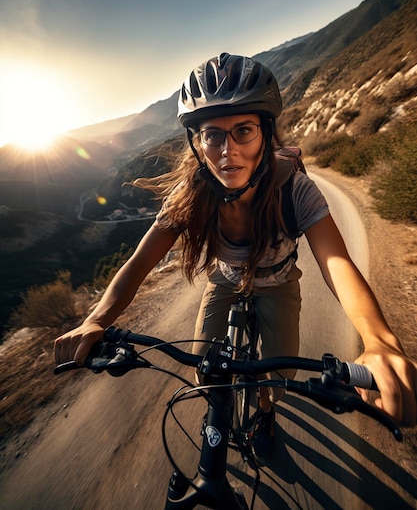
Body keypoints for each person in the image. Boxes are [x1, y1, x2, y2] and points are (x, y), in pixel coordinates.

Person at [55, 52, 417, 456]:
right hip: (225, 278)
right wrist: (96, 320)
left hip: (278, 281)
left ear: (266, 132)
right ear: (198, 142)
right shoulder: (190, 196)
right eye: (213, 135)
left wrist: (379, 341)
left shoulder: (293, 190)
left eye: (243, 130)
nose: (228, 151)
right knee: (203, 366)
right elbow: (141, 262)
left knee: (279, 373)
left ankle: (264, 411)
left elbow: (337, 264)